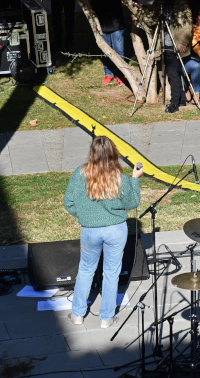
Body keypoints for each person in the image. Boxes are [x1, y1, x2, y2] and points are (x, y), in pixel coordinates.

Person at [64, 137, 142, 329]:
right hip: (115, 230)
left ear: (92, 153)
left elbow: (69, 203)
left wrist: (84, 215)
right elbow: (132, 203)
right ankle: (106, 318)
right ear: (113, 154)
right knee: (111, 273)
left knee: (85, 270)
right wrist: (135, 179)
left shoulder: (80, 173)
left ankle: (77, 314)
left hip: (89, 230)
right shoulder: (120, 177)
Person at [136, 0, 193, 113]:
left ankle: (174, 103)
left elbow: (188, 23)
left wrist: (183, 41)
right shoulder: (159, 3)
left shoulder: (180, 3)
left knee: (173, 73)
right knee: (174, 73)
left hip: (176, 44)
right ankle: (181, 99)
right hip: (165, 43)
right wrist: (142, 11)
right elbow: (151, 21)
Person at [87, 0, 126, 86]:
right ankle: (108, 73)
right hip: (101, 22)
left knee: (119, 50)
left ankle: (120, 74)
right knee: (105, 50)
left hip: (116, 22)